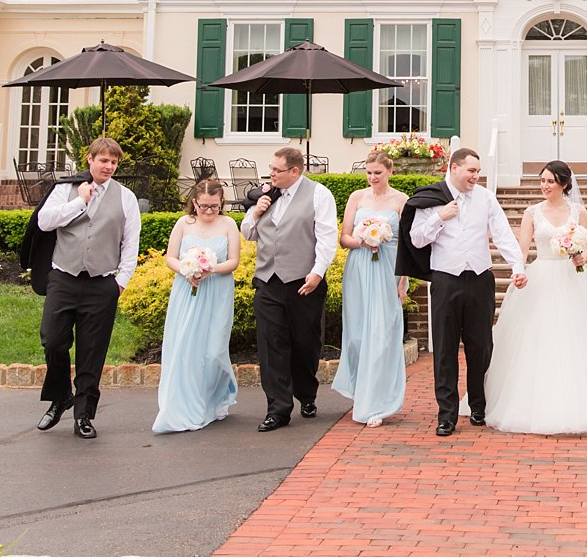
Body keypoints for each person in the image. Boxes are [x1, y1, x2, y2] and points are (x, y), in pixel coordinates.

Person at [485, 161, 587, 434]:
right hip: (541, 277)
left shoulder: (578, 211)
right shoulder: (532, 213)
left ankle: (582, 401)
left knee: (577, 338)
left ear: (564, 185)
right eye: (542, 181)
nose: (544, 186)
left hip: (573, 278)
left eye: (550, 181)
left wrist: (583, 255)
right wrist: (518, 271)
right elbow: (522, 250)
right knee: (538, 338)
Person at [405, 147, 527, 437]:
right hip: (446, 282)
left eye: (478, 171)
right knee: (445, 349)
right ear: (454, 167)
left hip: (479, 280)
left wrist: (517, 266)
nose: (476, 176)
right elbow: (416, 240)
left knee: (481, 346)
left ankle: (478, 405)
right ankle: (446, 415)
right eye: (471, 171)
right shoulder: (432, 199)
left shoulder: (485, 198)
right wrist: (440, 218)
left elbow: (502, 233)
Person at [35, 137, 142, 439]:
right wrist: (79, 201)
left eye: (114, 162)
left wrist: (120, 282)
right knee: (53, 340)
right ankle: (60, 397)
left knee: (91, 352)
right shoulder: (64, 189)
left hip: (102, 283)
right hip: (64, 277)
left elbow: (130, 243)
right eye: (104, 160)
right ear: (89, 159)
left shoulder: (126, 198)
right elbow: (45, 222)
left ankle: (83, 414)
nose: (109, 166)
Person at [240, 147, 338, 431]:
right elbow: (247, 233)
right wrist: (256, 212)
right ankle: (278, 409)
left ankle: (306, 394)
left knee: (305, 344)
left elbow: (327, 237)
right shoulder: (266, 197)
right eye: (270, 169)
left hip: (303, 282)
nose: (271, 175)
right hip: (268, 282)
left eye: (276, 170)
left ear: (294, 171)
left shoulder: (319, 195)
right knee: (271, 345)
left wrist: (318, 273)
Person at [153, 179, 242, 433]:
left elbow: (233, 261)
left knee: (213, 350)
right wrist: (186, 268)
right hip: (186, 288)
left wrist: (209, 269)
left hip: (217, 290)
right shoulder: (184, 224)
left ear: (221, 203)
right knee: (185, 346)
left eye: (214, 206)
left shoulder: (228, 225)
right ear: (194, 202)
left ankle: (214, 397)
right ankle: (185, 404)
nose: (209, 211)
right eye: (204, 206)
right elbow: (170, 256)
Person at [331, 151, 409, 428]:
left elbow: (408, 245)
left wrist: (403, 280)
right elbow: (344, 238)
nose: (373, 177)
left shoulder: (401, 201)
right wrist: (362, 241)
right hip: (360, 267)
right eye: (369, 172)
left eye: (378, 172)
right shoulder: (356, 197)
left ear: (390, 171)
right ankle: (361, 390)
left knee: (383, 334)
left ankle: (379, 402)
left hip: (389, 268)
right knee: (357, 335)